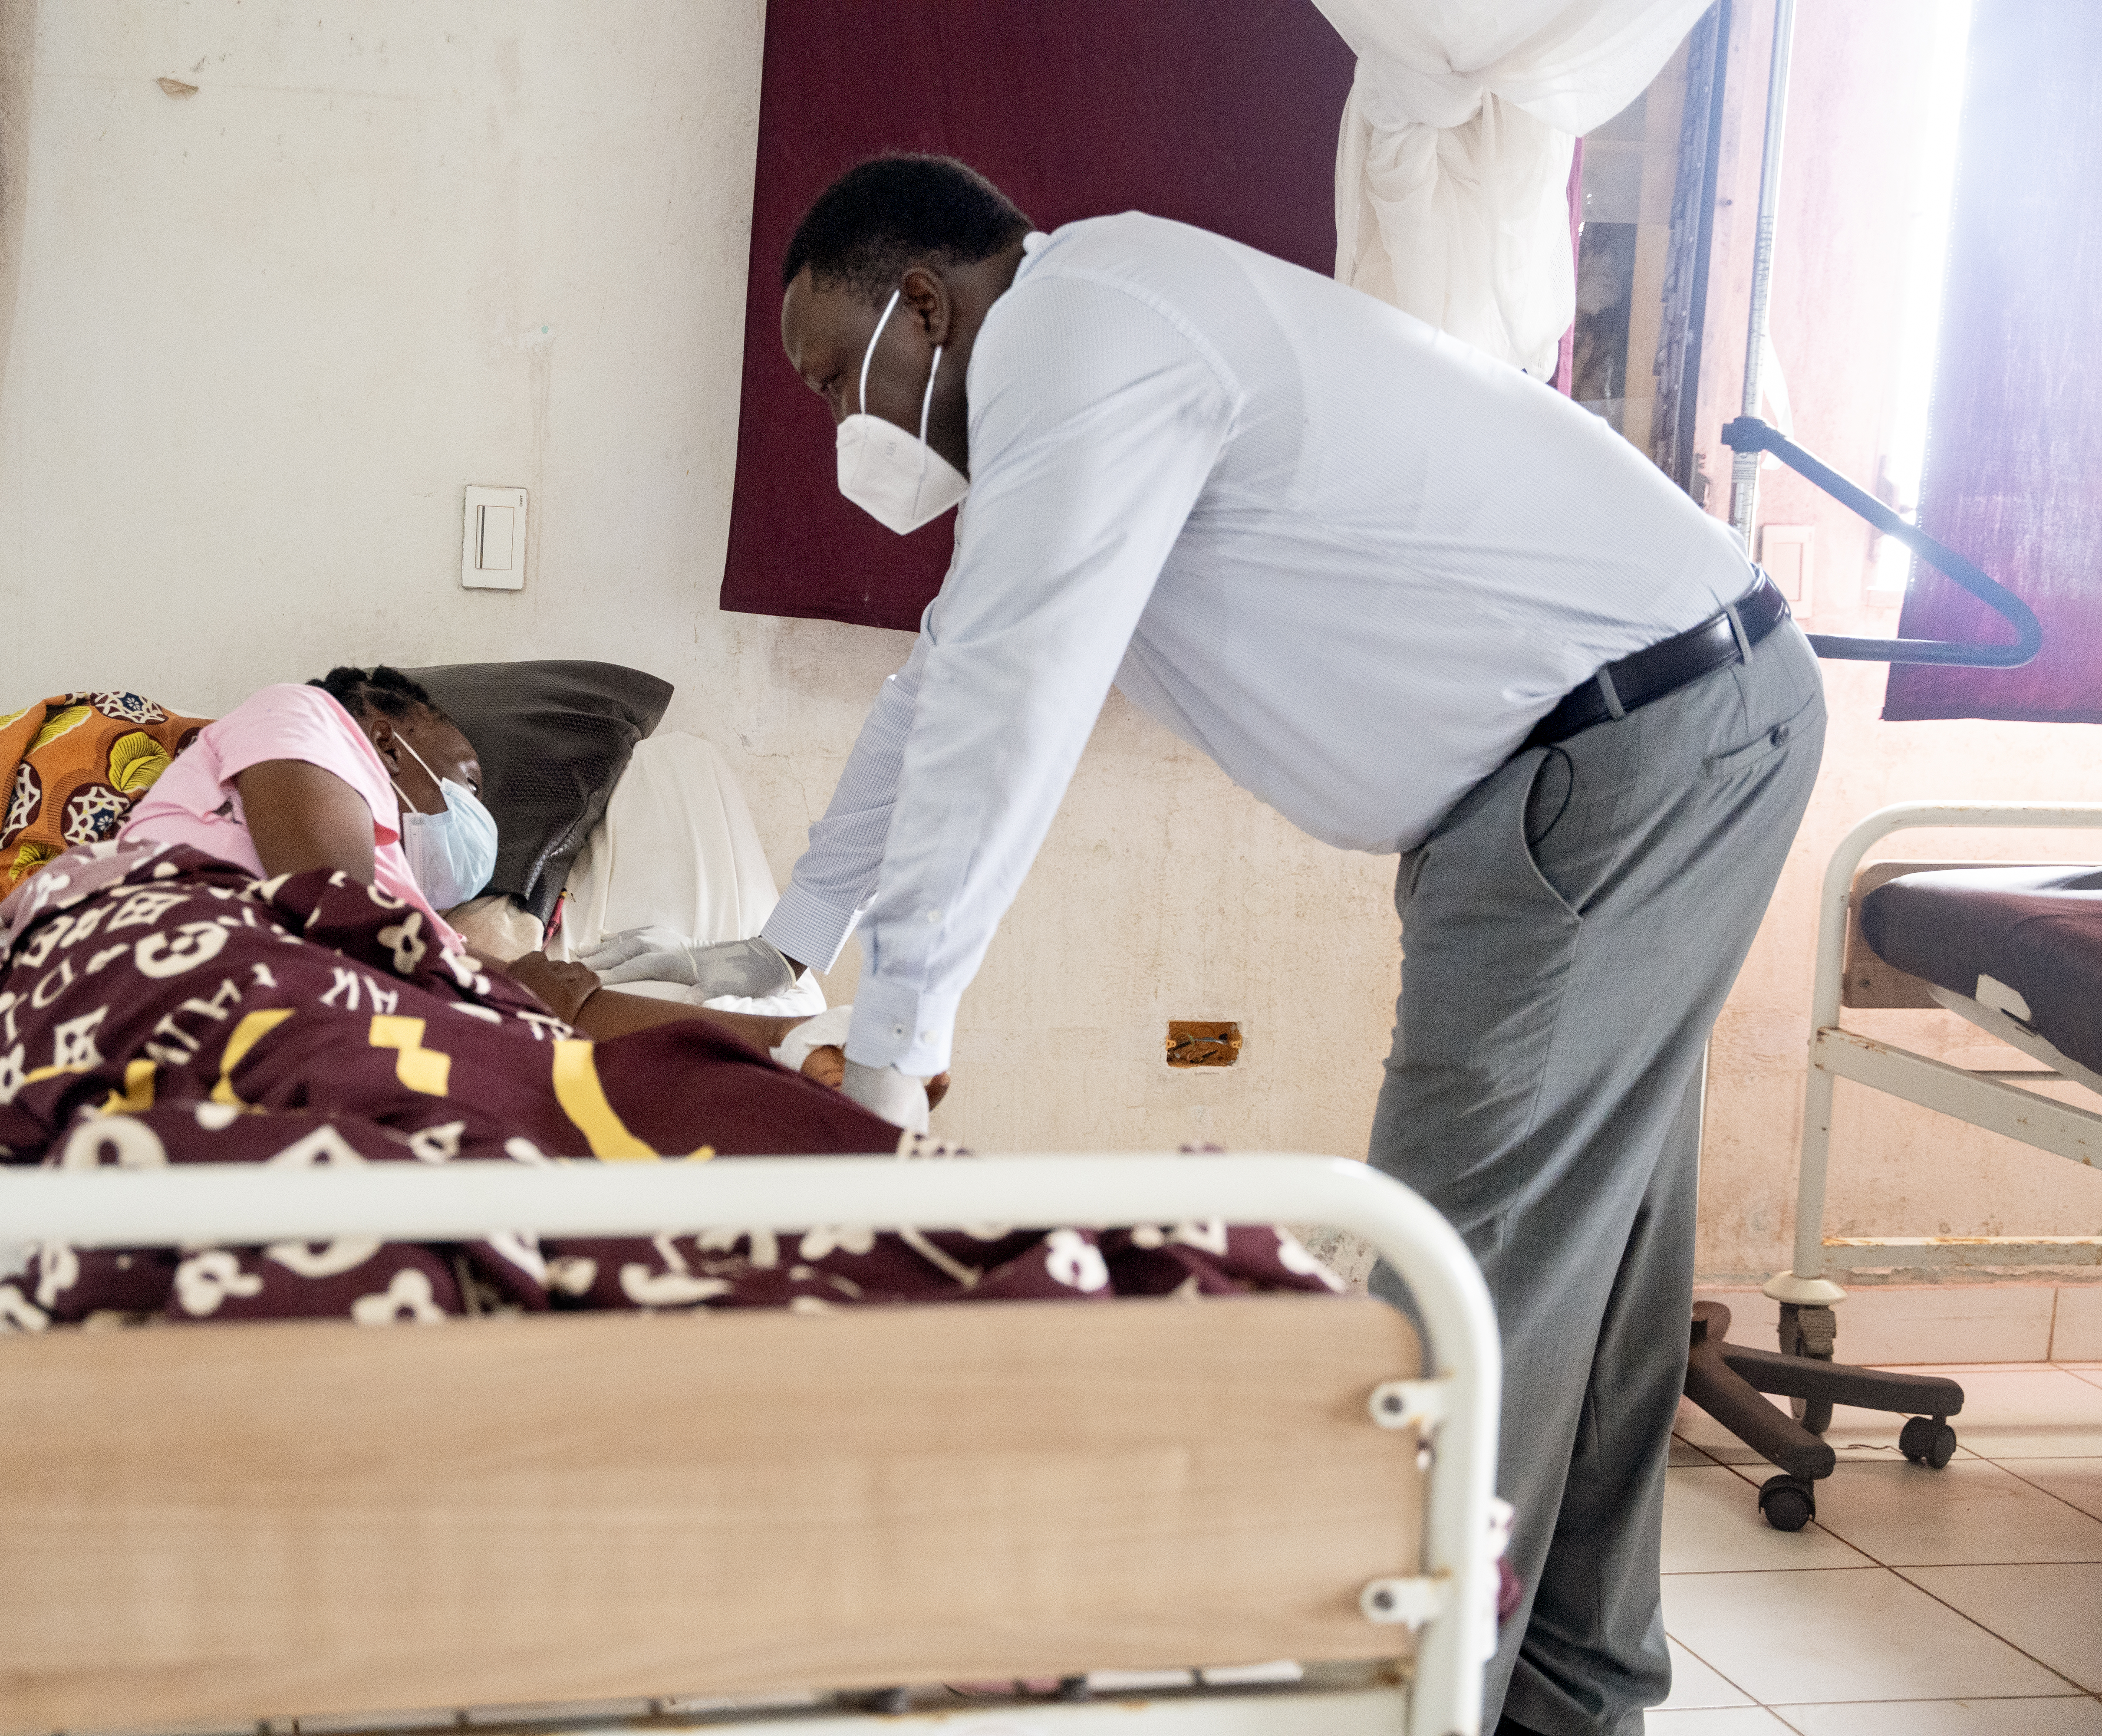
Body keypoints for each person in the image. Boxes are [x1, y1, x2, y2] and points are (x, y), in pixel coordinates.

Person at [598, 156, 1825, 1736]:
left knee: (1457, 1284)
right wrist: (786, 947)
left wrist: (897, 1052)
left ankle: (1409, 1704)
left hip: (1624, 748)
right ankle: (1571, 1699)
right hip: (1637, 741)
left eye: (840, 372)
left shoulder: (1079, 336)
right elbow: (948, 687)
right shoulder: (1091, 339)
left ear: (924, 304)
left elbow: (1014, 709)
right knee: (1578, 1277)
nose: (844, 421)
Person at [119, 665, 892, 1094]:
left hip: (283, 1025)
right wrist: (512, 988)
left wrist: (788, 1041)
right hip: (158, 958)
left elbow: (518, 1004)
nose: (473, 808)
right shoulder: (306, 717)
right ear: (392, 737)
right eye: (469, 778)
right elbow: (334, 921)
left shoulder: (408, 912)